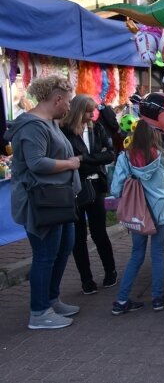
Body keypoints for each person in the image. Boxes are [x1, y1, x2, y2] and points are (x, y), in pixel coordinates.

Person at [5, 76, 81, 329]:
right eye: (68, 101)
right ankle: (39, 313)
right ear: (57, 99)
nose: (70, 107)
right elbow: (36, 162)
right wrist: (70, 164)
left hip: (57, 199)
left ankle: (51, 300)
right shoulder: (33, 126)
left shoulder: (50, 122)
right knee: (45, 255)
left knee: (62, 248)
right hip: (41, 202)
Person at [110, 120, 164, 315]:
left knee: (136, 255)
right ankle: (157, 299)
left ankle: (121, 300)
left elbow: (115, 189)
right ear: (154, 135)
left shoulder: (125, 158)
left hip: (137, 213)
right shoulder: (160, 156)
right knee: (157, 254)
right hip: (158, 210)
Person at [59, 94, 117, 295]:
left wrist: (83, 158)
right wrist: (93, 158)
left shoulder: (97, 127)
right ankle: (86, 279)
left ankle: (110, 271)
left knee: (99, 231)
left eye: (93, 110)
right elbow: (66, 160)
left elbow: (110, 154)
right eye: (88, 110)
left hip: (97, 185)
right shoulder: (65, 131)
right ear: (78, 110)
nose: (92, 114)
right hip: (76, 187)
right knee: (78, 236)